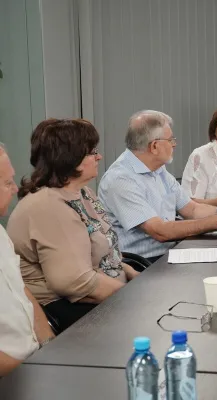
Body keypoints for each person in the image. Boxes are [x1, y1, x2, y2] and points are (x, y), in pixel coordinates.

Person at [7, 119, 139, 330]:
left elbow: (104, 253)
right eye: (92, 152)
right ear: (71, 158)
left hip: (103, 294)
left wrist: (134, 275)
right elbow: (75, 282)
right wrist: (137, 296)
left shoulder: (83, 192)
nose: (99, 156)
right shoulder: (48, 205)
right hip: (65, 309)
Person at [98, 110, 217, 261]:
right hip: (144, 263)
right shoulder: (120, 180)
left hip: (171, 252)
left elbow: (192, 209)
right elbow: (160, 231)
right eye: (171, 140)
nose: (174, 144)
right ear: (155, 146)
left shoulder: (158, 170)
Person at [0, 143, 55, 376]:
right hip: (13, 376)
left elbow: (21, 291)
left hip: (34, 361)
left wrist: (51, 347)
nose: (15, 189)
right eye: (7, 183)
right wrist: (32, 374)